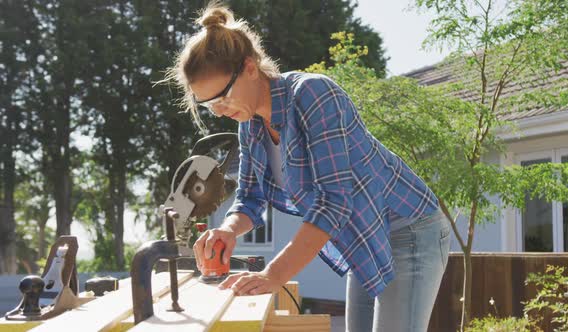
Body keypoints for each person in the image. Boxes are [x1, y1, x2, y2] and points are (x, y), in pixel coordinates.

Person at [169, 3, 451, 331]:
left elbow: (333, 201)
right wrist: (228, 230)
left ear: (249, 67)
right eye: (209, 104)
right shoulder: (250, 125)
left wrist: (274, 275)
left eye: (223, 96)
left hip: (409, 229)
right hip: (362, 231)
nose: (219, 111)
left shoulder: (314, 95)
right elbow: (249, 199)